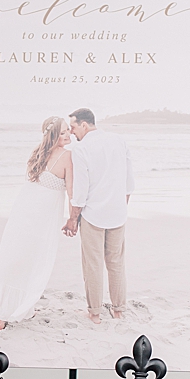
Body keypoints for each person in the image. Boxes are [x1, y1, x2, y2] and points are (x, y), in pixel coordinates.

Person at [0, 115, 76, 333]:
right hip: (42, 219)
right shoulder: (68, 157)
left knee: (19, 257)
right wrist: (73, 219)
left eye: (67, 130)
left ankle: (23, 308)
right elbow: (72, 192)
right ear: (54, 135)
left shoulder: (37, 152)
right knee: (34, 260)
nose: (68, 134)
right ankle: (4, 314)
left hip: (23, 214)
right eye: (63, 132)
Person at [64, 107, 135, 322]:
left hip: (93, 215)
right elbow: (128, 182)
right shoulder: (119, 140)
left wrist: (72, 219)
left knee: (93, 264)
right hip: (117, 213)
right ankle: (118, 310)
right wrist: (120, 207)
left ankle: (94, 313)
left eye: (74, 127)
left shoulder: (81, 149)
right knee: (116, 263)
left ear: (84, 125)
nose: (72, 132)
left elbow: (80, 191)